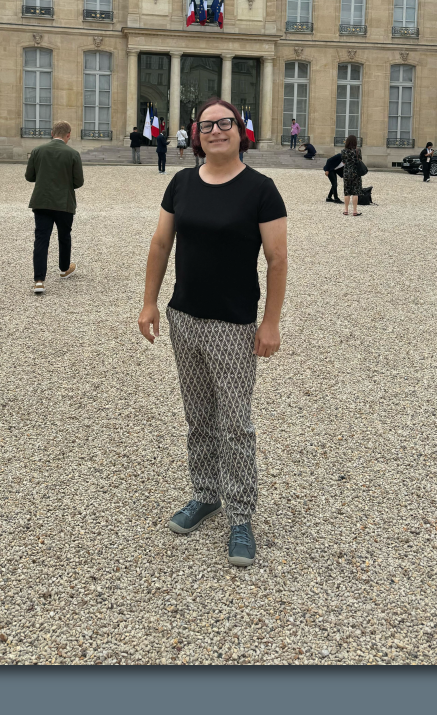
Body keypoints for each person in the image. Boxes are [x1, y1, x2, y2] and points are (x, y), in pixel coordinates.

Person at [138, 96, 288, 568]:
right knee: (199, 415)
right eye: (207, 125)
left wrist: (271, 322)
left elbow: (278, 259)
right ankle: (206, 494)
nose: (216, 131)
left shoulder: (261, 189)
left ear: (241, 131)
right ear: (196, 134)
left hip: (234, 322)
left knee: (235, 423)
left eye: (225, 123)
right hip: (185, 316)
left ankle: (241, 515)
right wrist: (148, 301)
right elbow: (162, 243)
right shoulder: (182, 183)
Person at [25, 120, 85, 296]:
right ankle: (64, 268)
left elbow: (29, 177)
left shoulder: (37, 151)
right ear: (68, 135)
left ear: (52, 133)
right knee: (64, 236)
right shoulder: (73, 154)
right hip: (64, 202)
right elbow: (78, 182)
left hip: (42, 201)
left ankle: (39, 280)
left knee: (41, 239)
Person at [340, 135, 367, 216]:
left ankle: (346, 210)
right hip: (356, 172)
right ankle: (355, 211)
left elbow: (343, 162)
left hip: (347, 172)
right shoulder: (357, 150)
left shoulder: (343, 151)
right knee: (355, 192)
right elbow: (360, 160)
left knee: (347, 191)